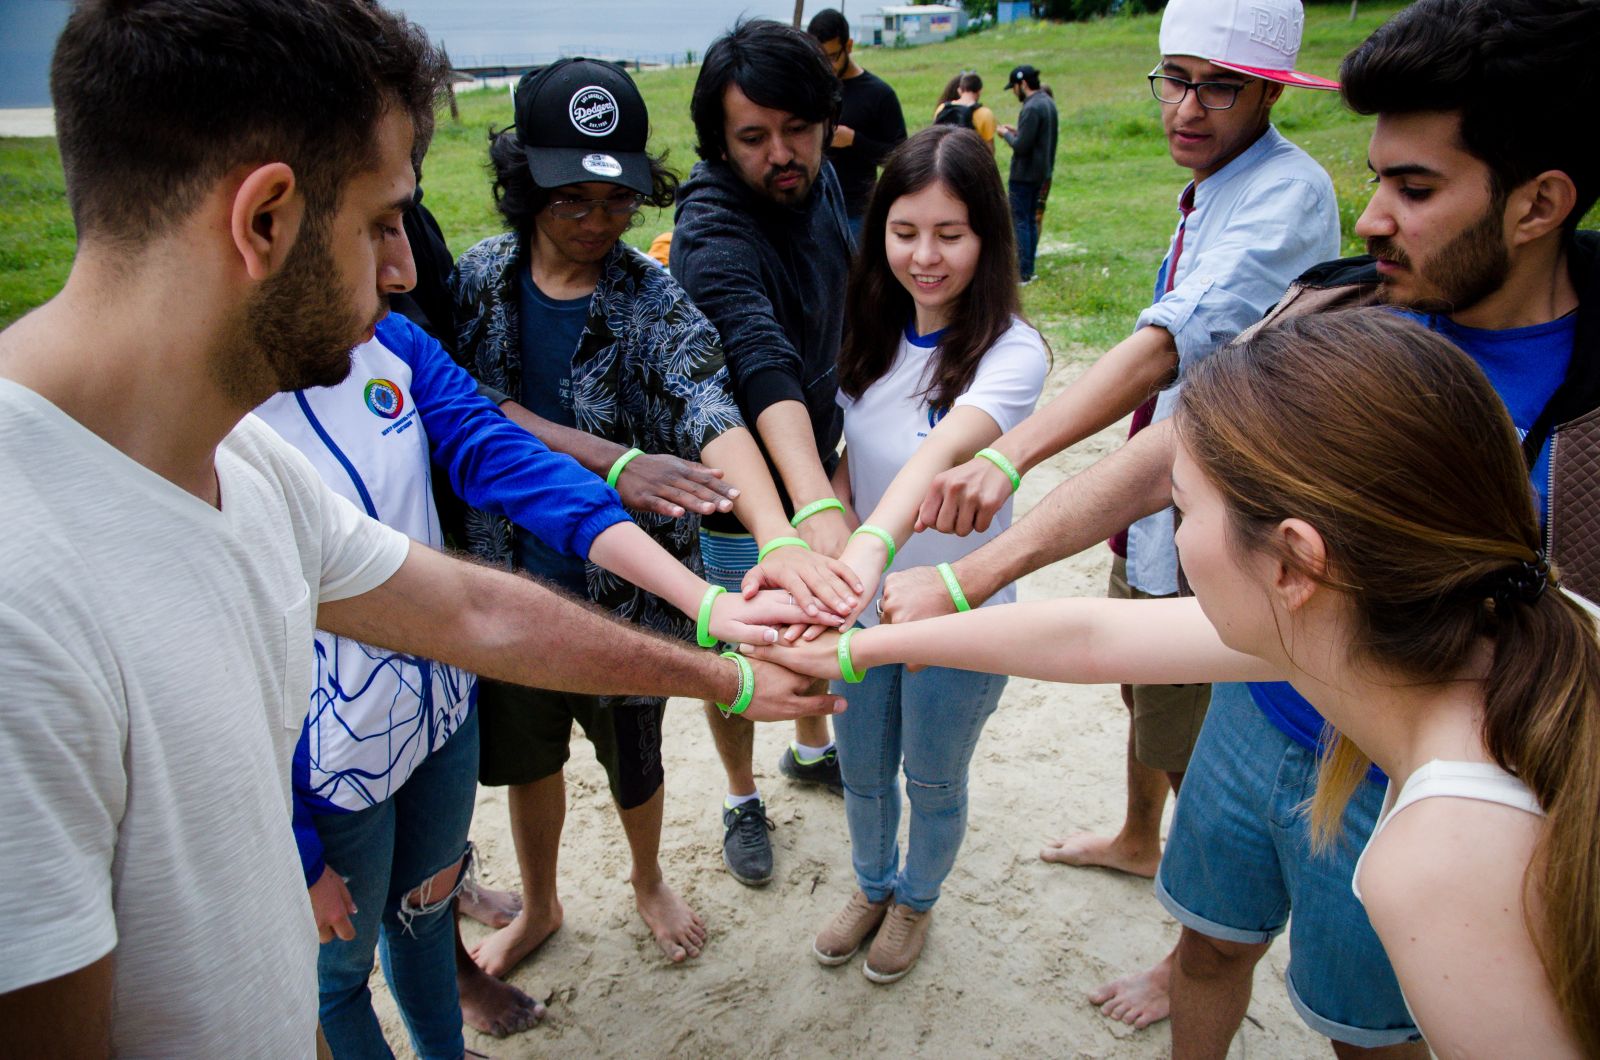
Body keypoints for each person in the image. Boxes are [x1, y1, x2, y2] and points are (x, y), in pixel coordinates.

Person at [0, 2, 841, 1054]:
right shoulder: (22, 605)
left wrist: (723, 651)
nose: (402, 270)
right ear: (264, 220)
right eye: (380, 223)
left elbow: (474, 607)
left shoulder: (247, 465)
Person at [886, 0, 1599, 1049]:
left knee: (1371, 1030)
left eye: (1414, 188)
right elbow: (1154, 497)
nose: (1370, 220)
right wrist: (968, 570)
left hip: (1411, 769)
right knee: (1207, 941)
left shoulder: (1447, 845)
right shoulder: (1340, 305)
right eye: (1375, 179)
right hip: (1259, 706)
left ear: (1539, 203)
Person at [749, 309, 1600, 1057]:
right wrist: (856, 652)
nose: (1175, 533)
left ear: (1296, 561)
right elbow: (1091, 636)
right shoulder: (1396, 621)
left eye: (1182, 510)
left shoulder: (1442, 860)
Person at [925, 0, 1341, 1028]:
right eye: (1175, 79)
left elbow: (1167, 347)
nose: (1187, 108)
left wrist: (1008, 453)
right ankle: (1133, 834)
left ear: (1272, 93)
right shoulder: (1216, 185)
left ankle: (1195, 940)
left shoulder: (1285, 195)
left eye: (1219, 86)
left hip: (1222, 526)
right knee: (1139, 694)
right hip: (1159, 516)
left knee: (1198, 733)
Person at [257, 304, 816, 1051]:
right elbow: (479, 615)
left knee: (426, 920)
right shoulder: (216, 425)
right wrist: (298, 848)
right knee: (338, 976)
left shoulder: (391, 341)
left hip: (438, 720)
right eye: (378, 228)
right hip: (328, 772)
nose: (406, 271)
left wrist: (706, 602)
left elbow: (506, 455)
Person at [448, 57, 853, 978]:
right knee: (528, 760)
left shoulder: (649, 298)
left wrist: (780, 533)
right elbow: (454, 399)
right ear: (524, 187)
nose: (596, 223)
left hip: (624, 595)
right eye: (571, 201)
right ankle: (543, 902)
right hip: (505, 584)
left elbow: (712, 405)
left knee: (636, 755)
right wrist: (615, 462)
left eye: (617, 200)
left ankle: (644, 877)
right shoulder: (476, 282)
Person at [805, 124, 1047, 984]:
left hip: (960, 612)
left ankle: (916, 900)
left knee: (934, 780)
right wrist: (827, 524)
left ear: (988, 235)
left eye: (951, 234)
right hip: (861, 608)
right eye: (905, 233)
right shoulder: (867, 337)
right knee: (862, 770)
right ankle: (871, 886)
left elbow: (934, 460)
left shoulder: (1012, 354)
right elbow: (849, 463)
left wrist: (872, 546)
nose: (926, 257)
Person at [673, 18, 865, 888]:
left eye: (798, 129)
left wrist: (829, 474)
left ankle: (812, 748)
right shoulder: (711, 228)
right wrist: (809, 504)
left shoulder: (814, 182)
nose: (781, 154)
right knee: (741, 642)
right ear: (721, 142)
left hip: (811, 451)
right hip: (729, 477)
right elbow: (758, 358)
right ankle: (742, 796)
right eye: (754, 138)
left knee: (814, 621)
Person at [807, 8, 908, 237]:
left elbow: (901, 156)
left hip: (858, 212)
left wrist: (855, 141)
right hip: (813, 208)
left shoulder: (879, 94)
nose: (826, 66)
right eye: (819, 58)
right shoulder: (813, 88)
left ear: (849, 46)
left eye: (832, 57)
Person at [996, 63, 1057, 283]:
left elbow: (1022, 147)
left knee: (1020, 221)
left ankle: (1022, 272)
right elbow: (1033, 137)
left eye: (1014, 87)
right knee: (1030, 220)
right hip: (1041, 172)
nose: (1014, 92)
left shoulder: (1031, 107)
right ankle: (1029, 269)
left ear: (1022, 84)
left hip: (1024, 175)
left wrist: (1005, 135)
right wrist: (1018, 132)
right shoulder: (1047, 102)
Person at [934, 71, 996, 153]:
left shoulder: (942, 108)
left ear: (959, 90)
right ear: (980, 91)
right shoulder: (985, 114)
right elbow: (989, 149)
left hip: (945, 158)